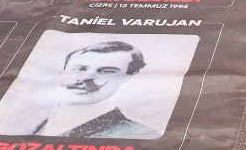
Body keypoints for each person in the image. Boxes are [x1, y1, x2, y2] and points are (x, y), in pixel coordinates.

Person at [17, 40, 162, 139]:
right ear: (62, 72)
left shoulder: (140, 135)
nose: (86, 78)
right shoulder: (26, 122)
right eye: (79, 69)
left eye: (107, 71)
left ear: (128, 76)